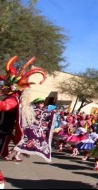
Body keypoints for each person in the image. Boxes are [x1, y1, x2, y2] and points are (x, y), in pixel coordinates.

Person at [0, 56, 47, 188]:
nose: (3, 87)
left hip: (2, 134)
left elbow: (4, 106)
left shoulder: (13, 100)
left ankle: (0, 181)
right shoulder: (7, 96)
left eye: (7, 85)